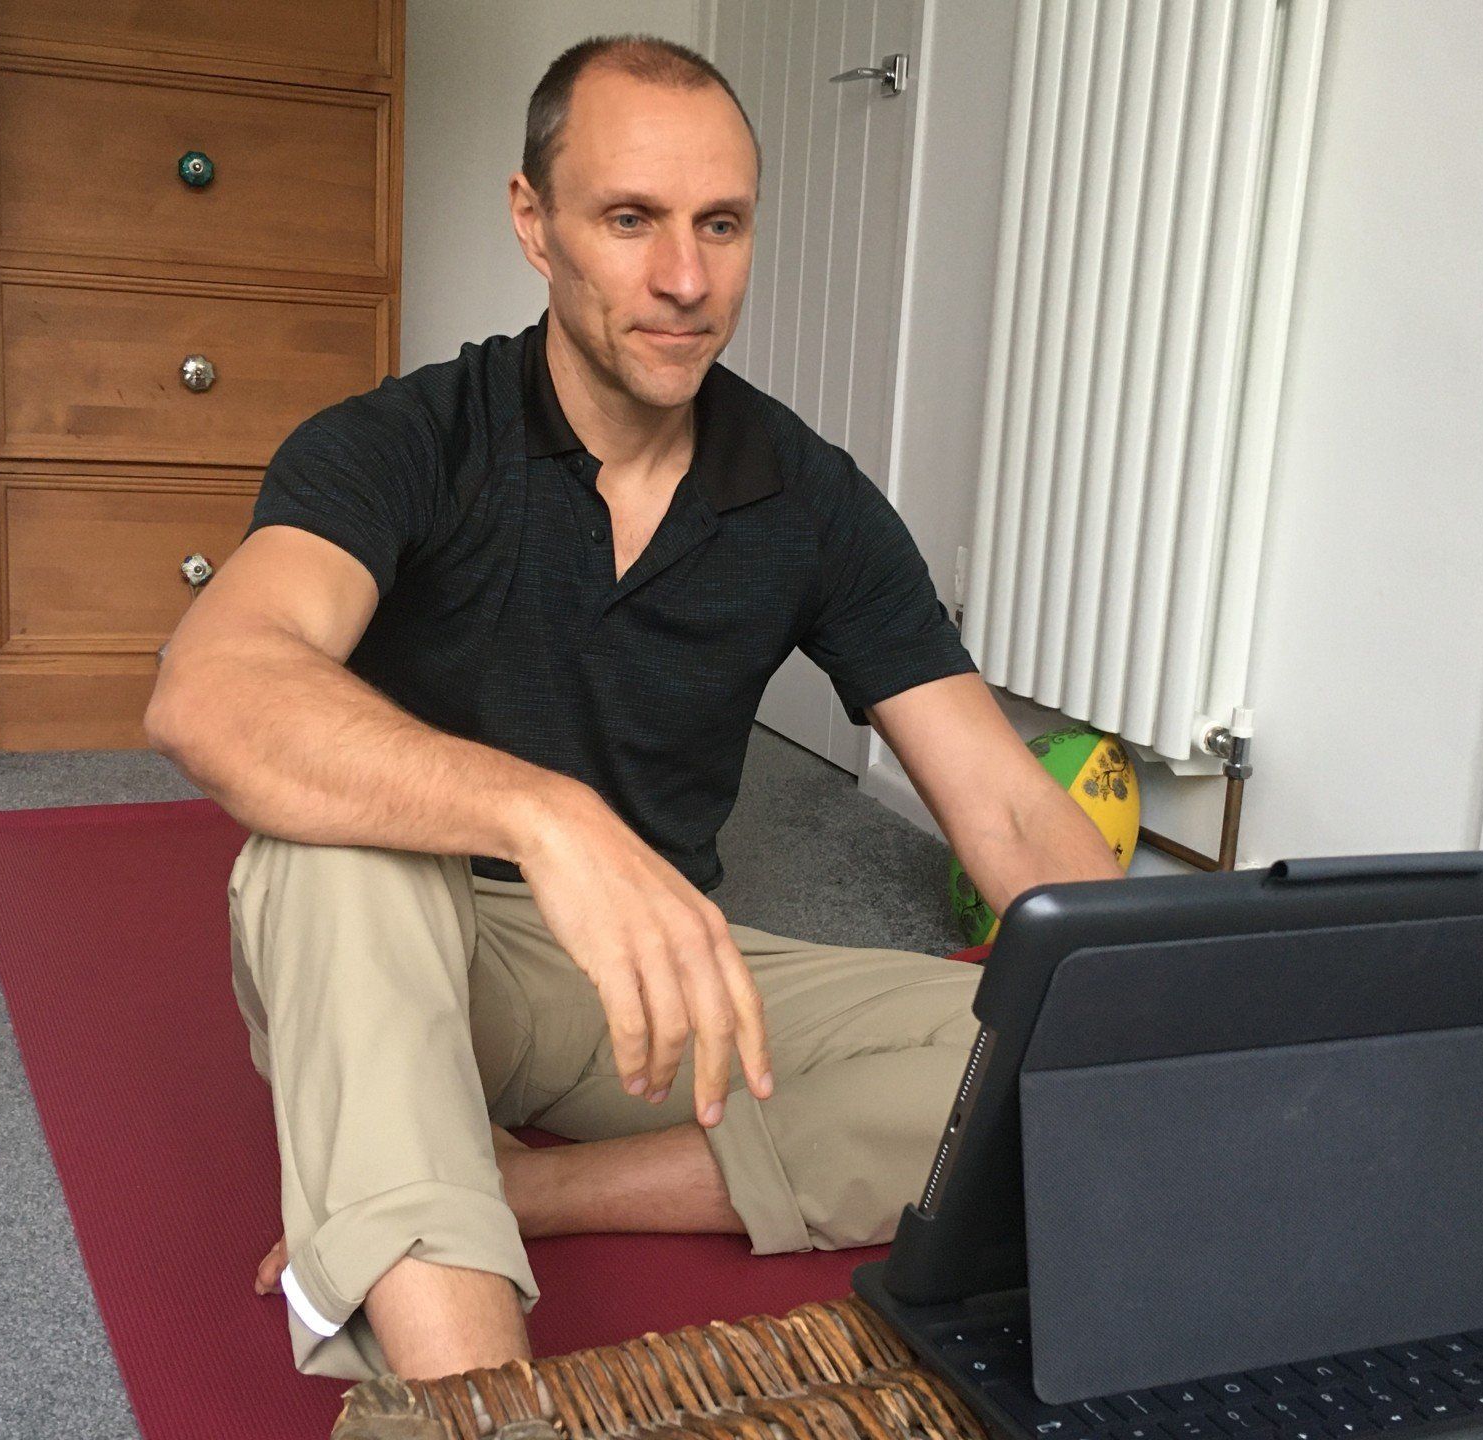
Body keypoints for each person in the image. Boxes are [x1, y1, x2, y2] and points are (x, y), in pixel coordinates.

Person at [145, 32, 1122, 1386]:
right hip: (402, 944)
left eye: (720, 224)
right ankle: (480, 1409)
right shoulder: (406, 440)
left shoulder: (810, 495)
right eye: (630, 220)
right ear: (533, 224)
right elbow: (212, 686)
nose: (685, 279)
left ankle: (520, 1188)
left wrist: (1164, 1021)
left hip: (655, 975)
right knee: (325, 860)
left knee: (1045, 1065)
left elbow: (1007, 809)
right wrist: (545, 817)